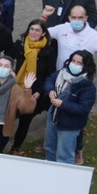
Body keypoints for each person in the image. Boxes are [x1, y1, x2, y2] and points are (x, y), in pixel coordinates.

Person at [9, 18, 58, 153]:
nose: (34, 32)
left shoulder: (48, 51)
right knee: (8, 116)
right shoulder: (20, 45)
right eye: (32, 29)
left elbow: (50, 74)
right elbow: (8, 58)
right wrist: (10, 71)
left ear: (43, 33)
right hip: (14, 88)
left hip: (34, 91)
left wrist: (41, 91)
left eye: (37, 30)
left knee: (25, 121)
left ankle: (15, 147)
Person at [44, 50, 96, 164]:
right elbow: (49, 80)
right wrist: (50, 90)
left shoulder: (87, 86)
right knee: (50, 149)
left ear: (86, 66)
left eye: (79, 63)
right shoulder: (62, 73)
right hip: (53, 117)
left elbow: (83, 109)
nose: (75, 64)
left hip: (69, 125)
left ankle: (64, 178)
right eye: (73, 61)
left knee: (64, 155)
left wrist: (62, 104)